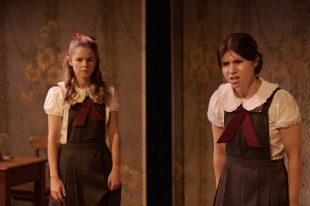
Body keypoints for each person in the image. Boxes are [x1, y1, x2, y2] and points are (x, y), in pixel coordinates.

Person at [208, 33, 301, 206]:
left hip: (269, 188)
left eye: (238, 61)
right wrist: (221, 193)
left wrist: (294, 203)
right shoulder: (220, 99)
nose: (231, 70)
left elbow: (294, 157)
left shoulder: (279, 100)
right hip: (230, 189)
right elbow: (219, 153)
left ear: (255, 61)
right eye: (225, 64)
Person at [44, 33, 121, 205]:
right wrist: (54, 178)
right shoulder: (58, 93)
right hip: (69, 165)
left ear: (96, 61)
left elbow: (114, 133)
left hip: (100, 163)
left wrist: (115, 168)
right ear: (70, 61)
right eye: (79, 60)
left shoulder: (108, 92)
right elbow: (53, 139)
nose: (85, 65)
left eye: (90, 59)